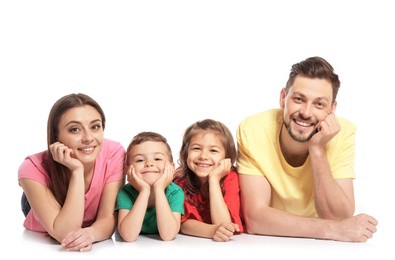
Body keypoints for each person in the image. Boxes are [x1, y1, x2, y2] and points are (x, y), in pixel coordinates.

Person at [236, 56, 378, 242]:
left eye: (319, 104)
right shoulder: (252, 131)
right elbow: (255, 219)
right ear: (282, 98)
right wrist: (334, 230)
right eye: (299, 99)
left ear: (332, 109)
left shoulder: (343, 133)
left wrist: (317, 149)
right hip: (267, 244)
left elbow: (340, 217)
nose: (306, 112)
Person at [18, 93, 126, 252]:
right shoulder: (32, 167)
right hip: (45, 200)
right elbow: (65, 234)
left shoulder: (115, 152)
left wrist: (90, 233)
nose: (88, 138)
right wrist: (77, 170)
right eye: (75, 129)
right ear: (56, 135)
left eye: (95, 126)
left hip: (89, 207)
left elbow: (107, 218)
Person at [173, 119, 243, 242]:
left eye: (213, 150)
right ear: (185, 153)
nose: (203, 156)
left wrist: (214, 179)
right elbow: (184, 224)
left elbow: (225, 225)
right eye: (196, 148)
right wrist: (212, 231)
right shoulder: (180, 179)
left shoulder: (231, 178)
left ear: (227, 157)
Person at [116, 131, 184, 242]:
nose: (149, 163)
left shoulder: (175, 192)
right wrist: (144, 191)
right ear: (128, 170)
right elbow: (128, 236)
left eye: (157, 159)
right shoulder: (126, 193)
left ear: (171, 168)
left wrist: (159, 189)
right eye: (140, 160)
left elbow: (168, 235)